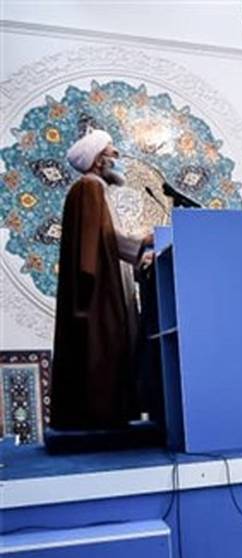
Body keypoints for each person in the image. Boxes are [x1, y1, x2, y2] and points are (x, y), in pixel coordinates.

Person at [51, 129, 154, 430]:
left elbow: (105, 237)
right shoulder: (89, 187)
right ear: (97, 160)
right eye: (111, 150)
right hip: (97, 292)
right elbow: (97, 245)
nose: (117, 155)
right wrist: (141, 243)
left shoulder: (96, 188)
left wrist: (140, 246)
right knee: (101, 348)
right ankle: (102, 418)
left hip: (100, 287)